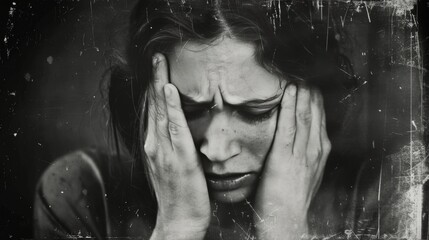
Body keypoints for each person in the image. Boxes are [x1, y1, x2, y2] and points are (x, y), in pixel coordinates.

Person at [33, 0, 361, 239]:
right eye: (189, 110)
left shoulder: (375, 199)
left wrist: (285, 229)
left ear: (314, 99)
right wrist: (177, 227)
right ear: (147, 99)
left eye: (256, 111)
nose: (217, 150)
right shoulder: (81, 191)